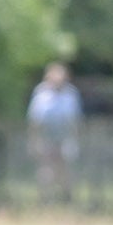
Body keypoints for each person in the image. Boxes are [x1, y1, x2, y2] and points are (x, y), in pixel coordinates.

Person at [26, 61, 82, 201]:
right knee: (46, 169)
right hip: (46, 136)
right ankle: (45, 198)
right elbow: (34, 120)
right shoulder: (41, 93)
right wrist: (33, 140)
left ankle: (66, 197)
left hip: (64, 136)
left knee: (64, 169)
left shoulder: (71, 94)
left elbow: (75, 120)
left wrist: (74, 139)